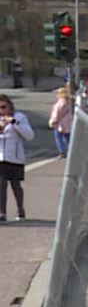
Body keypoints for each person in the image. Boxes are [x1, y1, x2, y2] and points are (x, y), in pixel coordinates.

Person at [0, 94, 34, 222]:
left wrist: (14, 123)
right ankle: (2, 212)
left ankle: (20, 208)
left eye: (4, 107)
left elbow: (29, 136)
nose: (1, 111)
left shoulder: (19, 117)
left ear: (10, 106)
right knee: (1, 185)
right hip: (1, 157)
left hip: (15, 157)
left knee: (16, 185)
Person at [47, 86, 72, 158]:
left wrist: (52, 121)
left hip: (60, 124)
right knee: (68, 138)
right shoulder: (69, 102)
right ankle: (71, 150)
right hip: (68, 122)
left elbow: (56, 113)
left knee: (59, 138)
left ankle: (62, 152)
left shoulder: (60, 103)